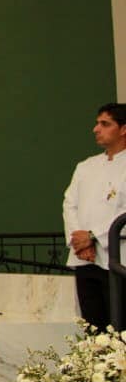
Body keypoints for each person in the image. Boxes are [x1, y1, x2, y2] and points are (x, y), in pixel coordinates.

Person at [62, 103, 126, 330]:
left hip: (118, 258)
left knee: (120, 328)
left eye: (105, 124)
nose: (96, 129)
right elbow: (69, 204)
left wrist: (94, 236)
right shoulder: (85, 166)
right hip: (85, 259)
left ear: (123, 129)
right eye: (97, 123)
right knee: (93, 329)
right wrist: (79, 241)